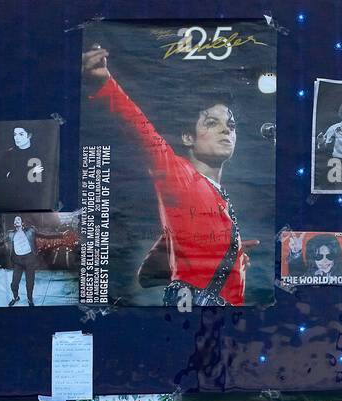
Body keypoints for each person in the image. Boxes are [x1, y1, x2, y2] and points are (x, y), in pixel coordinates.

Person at [82, 45, 258, 307]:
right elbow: (141, 129)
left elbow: (146, 276)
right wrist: (104, 83)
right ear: (188, 137)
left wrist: (228, 254)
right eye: (212, 123)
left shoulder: (216, 195)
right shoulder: (180, 175)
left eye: (230, 125)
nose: (226, 131)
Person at [0, 125, 51, 211]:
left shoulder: (39, 155)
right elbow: (4, 180)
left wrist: (17, 175)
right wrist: (29, 172)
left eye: (21, 134)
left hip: (33, 204)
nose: (16, 138)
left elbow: (40, 184)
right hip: (12, 202)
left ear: (29, 136)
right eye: (15, 134)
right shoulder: (8, 155)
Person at [4, 215, 38, 306]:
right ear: (14, 224)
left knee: (29, 283)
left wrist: (61, 235)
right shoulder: (10, 233)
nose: (16, 220)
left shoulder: (30, 231)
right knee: (14, 283)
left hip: (29, 260)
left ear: (22, 222)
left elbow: (44, 235)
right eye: (15, 220)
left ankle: (30, 299)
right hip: (18, 262)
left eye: (18, 219)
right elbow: (1, 241)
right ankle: (15, 297)